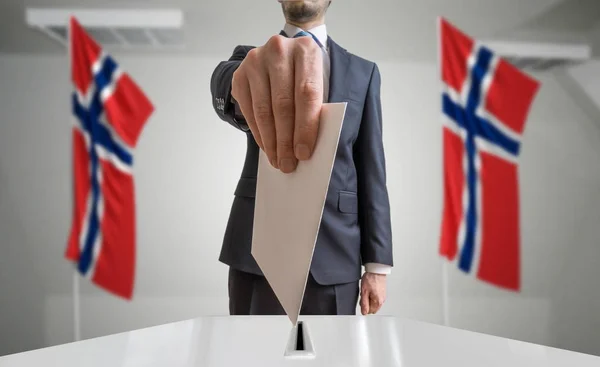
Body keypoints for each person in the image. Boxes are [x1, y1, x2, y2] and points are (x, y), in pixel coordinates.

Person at [210, 0, 393, 316]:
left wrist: (377, 266)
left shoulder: (364, 73)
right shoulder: (250, 61)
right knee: (250, 356)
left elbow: (372, 171)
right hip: (258, 251)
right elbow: (227, 85)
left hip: (336, 254)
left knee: (331, 360)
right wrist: (243, 76)